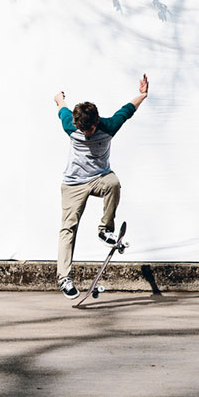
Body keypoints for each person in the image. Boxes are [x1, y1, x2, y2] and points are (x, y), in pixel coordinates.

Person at [54, 74, 149, 299]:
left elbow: (127, 109)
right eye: (82, 130)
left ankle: (105, 229)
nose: (86, 134)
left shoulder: (109, 126)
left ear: (97, 122)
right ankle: (64, 278)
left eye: (90, 130)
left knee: (113, 182)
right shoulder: (71, 124)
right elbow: (62, 107)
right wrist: (58, 97)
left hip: (99, 177)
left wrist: (143, 95)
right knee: (68, 228)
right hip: (73, 184)